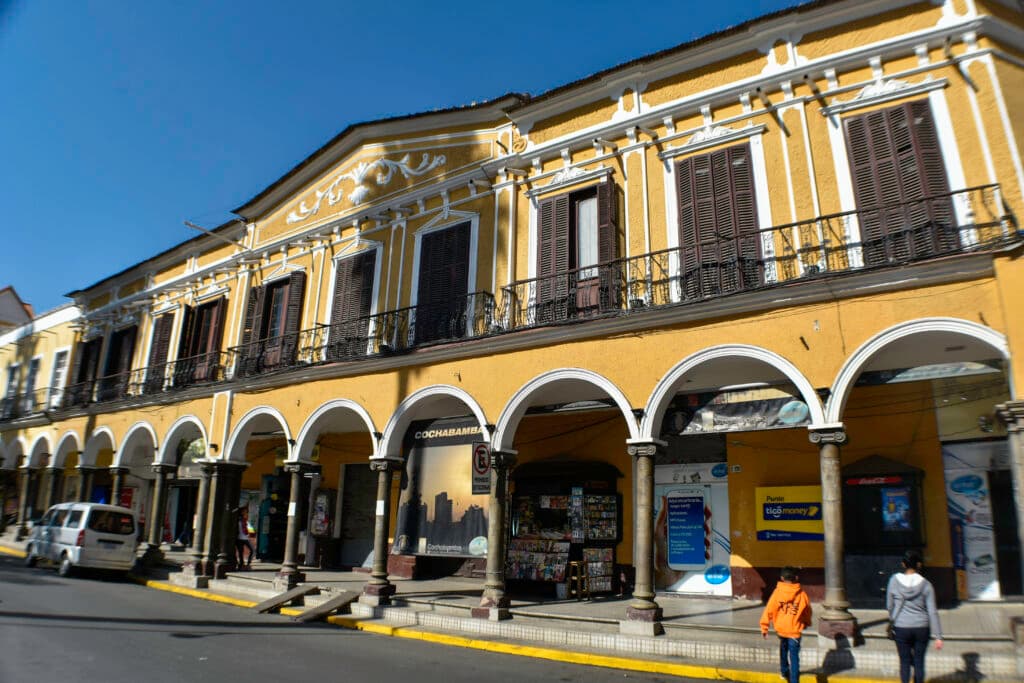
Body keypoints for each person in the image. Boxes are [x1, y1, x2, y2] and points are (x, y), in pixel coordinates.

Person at [887, 550, 943, 683]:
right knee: (919, 662)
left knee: (904, 662)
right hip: (922, 628)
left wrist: (893, 619)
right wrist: (938, 636)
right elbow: (932, 611)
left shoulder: (894, 581)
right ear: (919, 565)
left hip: (901, 627)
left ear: (903, 564)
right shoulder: (927, 585)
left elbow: (889, 606)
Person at [760, 566, 812, 683]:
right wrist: (807, 623)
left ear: (782, 578)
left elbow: (769, 610)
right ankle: (794, 681)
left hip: (782, 630)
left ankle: (784, 672)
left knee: (783, 651)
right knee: (794, 658)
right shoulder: (802, 594)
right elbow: (807, 611)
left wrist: (764, 627)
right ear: (796, 578)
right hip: (795, 632)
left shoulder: (777, 593)